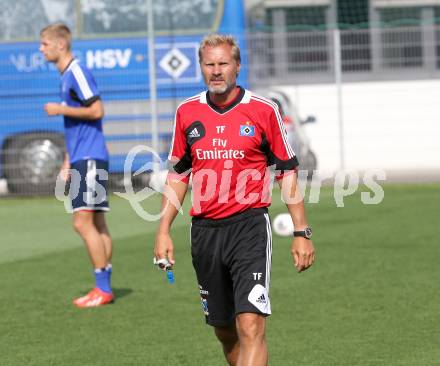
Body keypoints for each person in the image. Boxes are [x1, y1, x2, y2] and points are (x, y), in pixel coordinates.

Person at [154, 34, 315, 366]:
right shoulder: (187, 113)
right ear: (201, 67)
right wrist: (163, 229)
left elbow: (287, 171)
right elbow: (179, 174)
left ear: (237, 66)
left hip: (249, 229)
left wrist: (302, 232)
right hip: (205, 233)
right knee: (225, 331)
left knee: (251, 325)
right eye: (209, 64)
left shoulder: (262, 110)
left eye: (223, 63)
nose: (216, 71)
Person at [40, 23, 113, 308]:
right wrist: (69, 160)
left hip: (91, 158)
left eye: (45, 44)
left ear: (60, 45)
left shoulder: (76, 72)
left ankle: (102, 289)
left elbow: (97, 110)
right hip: (86, 157)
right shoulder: (66, 75)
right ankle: (104, 285)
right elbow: (81, 125)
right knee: (96, 222)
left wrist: (60, 109)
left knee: (81, 223)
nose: (41, 49)